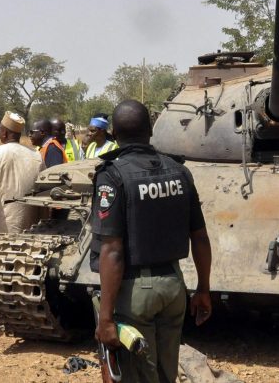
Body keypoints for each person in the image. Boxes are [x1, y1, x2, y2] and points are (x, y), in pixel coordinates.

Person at [92, 100, 213, 383]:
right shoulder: (179, 171)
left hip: (136, 293)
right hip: (174, 286)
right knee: (165, 373)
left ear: (114, 134)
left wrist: (106, 318)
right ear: (150, 130)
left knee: (135, 375)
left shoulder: (112, 175)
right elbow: (200, 236)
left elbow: (112, 250)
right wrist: (203, 289)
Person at [0, 112, 43, 234]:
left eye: (0, 130)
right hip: (31, 230)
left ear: (4, 133)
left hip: (0, 230)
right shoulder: (36, 155)